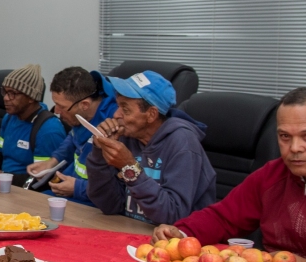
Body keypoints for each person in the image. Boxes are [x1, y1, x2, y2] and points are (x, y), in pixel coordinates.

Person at [153, 87, 306, 262]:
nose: (295, 148)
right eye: (285, 136)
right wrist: (182, 233)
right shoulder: (273, 174)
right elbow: (224, 217)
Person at [86, 70, 216, 225]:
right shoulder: (129, 137)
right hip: (132, 233)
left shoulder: (183, 143)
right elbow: (110, 206)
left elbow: (173, 216)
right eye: (118, 105)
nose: (115, 115)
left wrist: (129, 167)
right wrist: (100, 153)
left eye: (125, 109)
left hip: (176, 243)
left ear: (151, 114)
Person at [27, 67, 118, 205]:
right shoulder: (82, 115)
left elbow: (115, 192)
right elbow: (73, 136)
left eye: (61, 106)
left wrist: (77, 188)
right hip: (72, 193)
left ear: (84, 105)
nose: (56, 111)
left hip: (94, 205)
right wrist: (52, 162)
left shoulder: (113, 125)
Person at [0, 64, 66, 186]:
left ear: (31, 97)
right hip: (4, 185)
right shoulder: (9, 117)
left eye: (12, 93)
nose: (5, 98)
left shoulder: (48, 130)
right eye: (4, 91)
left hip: (27, 193)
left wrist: (1, 176)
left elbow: (44, 180)